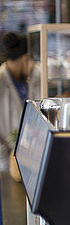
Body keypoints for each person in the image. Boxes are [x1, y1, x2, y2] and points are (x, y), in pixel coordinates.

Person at [0, 32, 39, 173]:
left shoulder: (37, 75)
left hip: (36, 156)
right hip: (7, 162)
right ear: (25, 59)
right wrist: (9, 160)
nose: (33, 64)